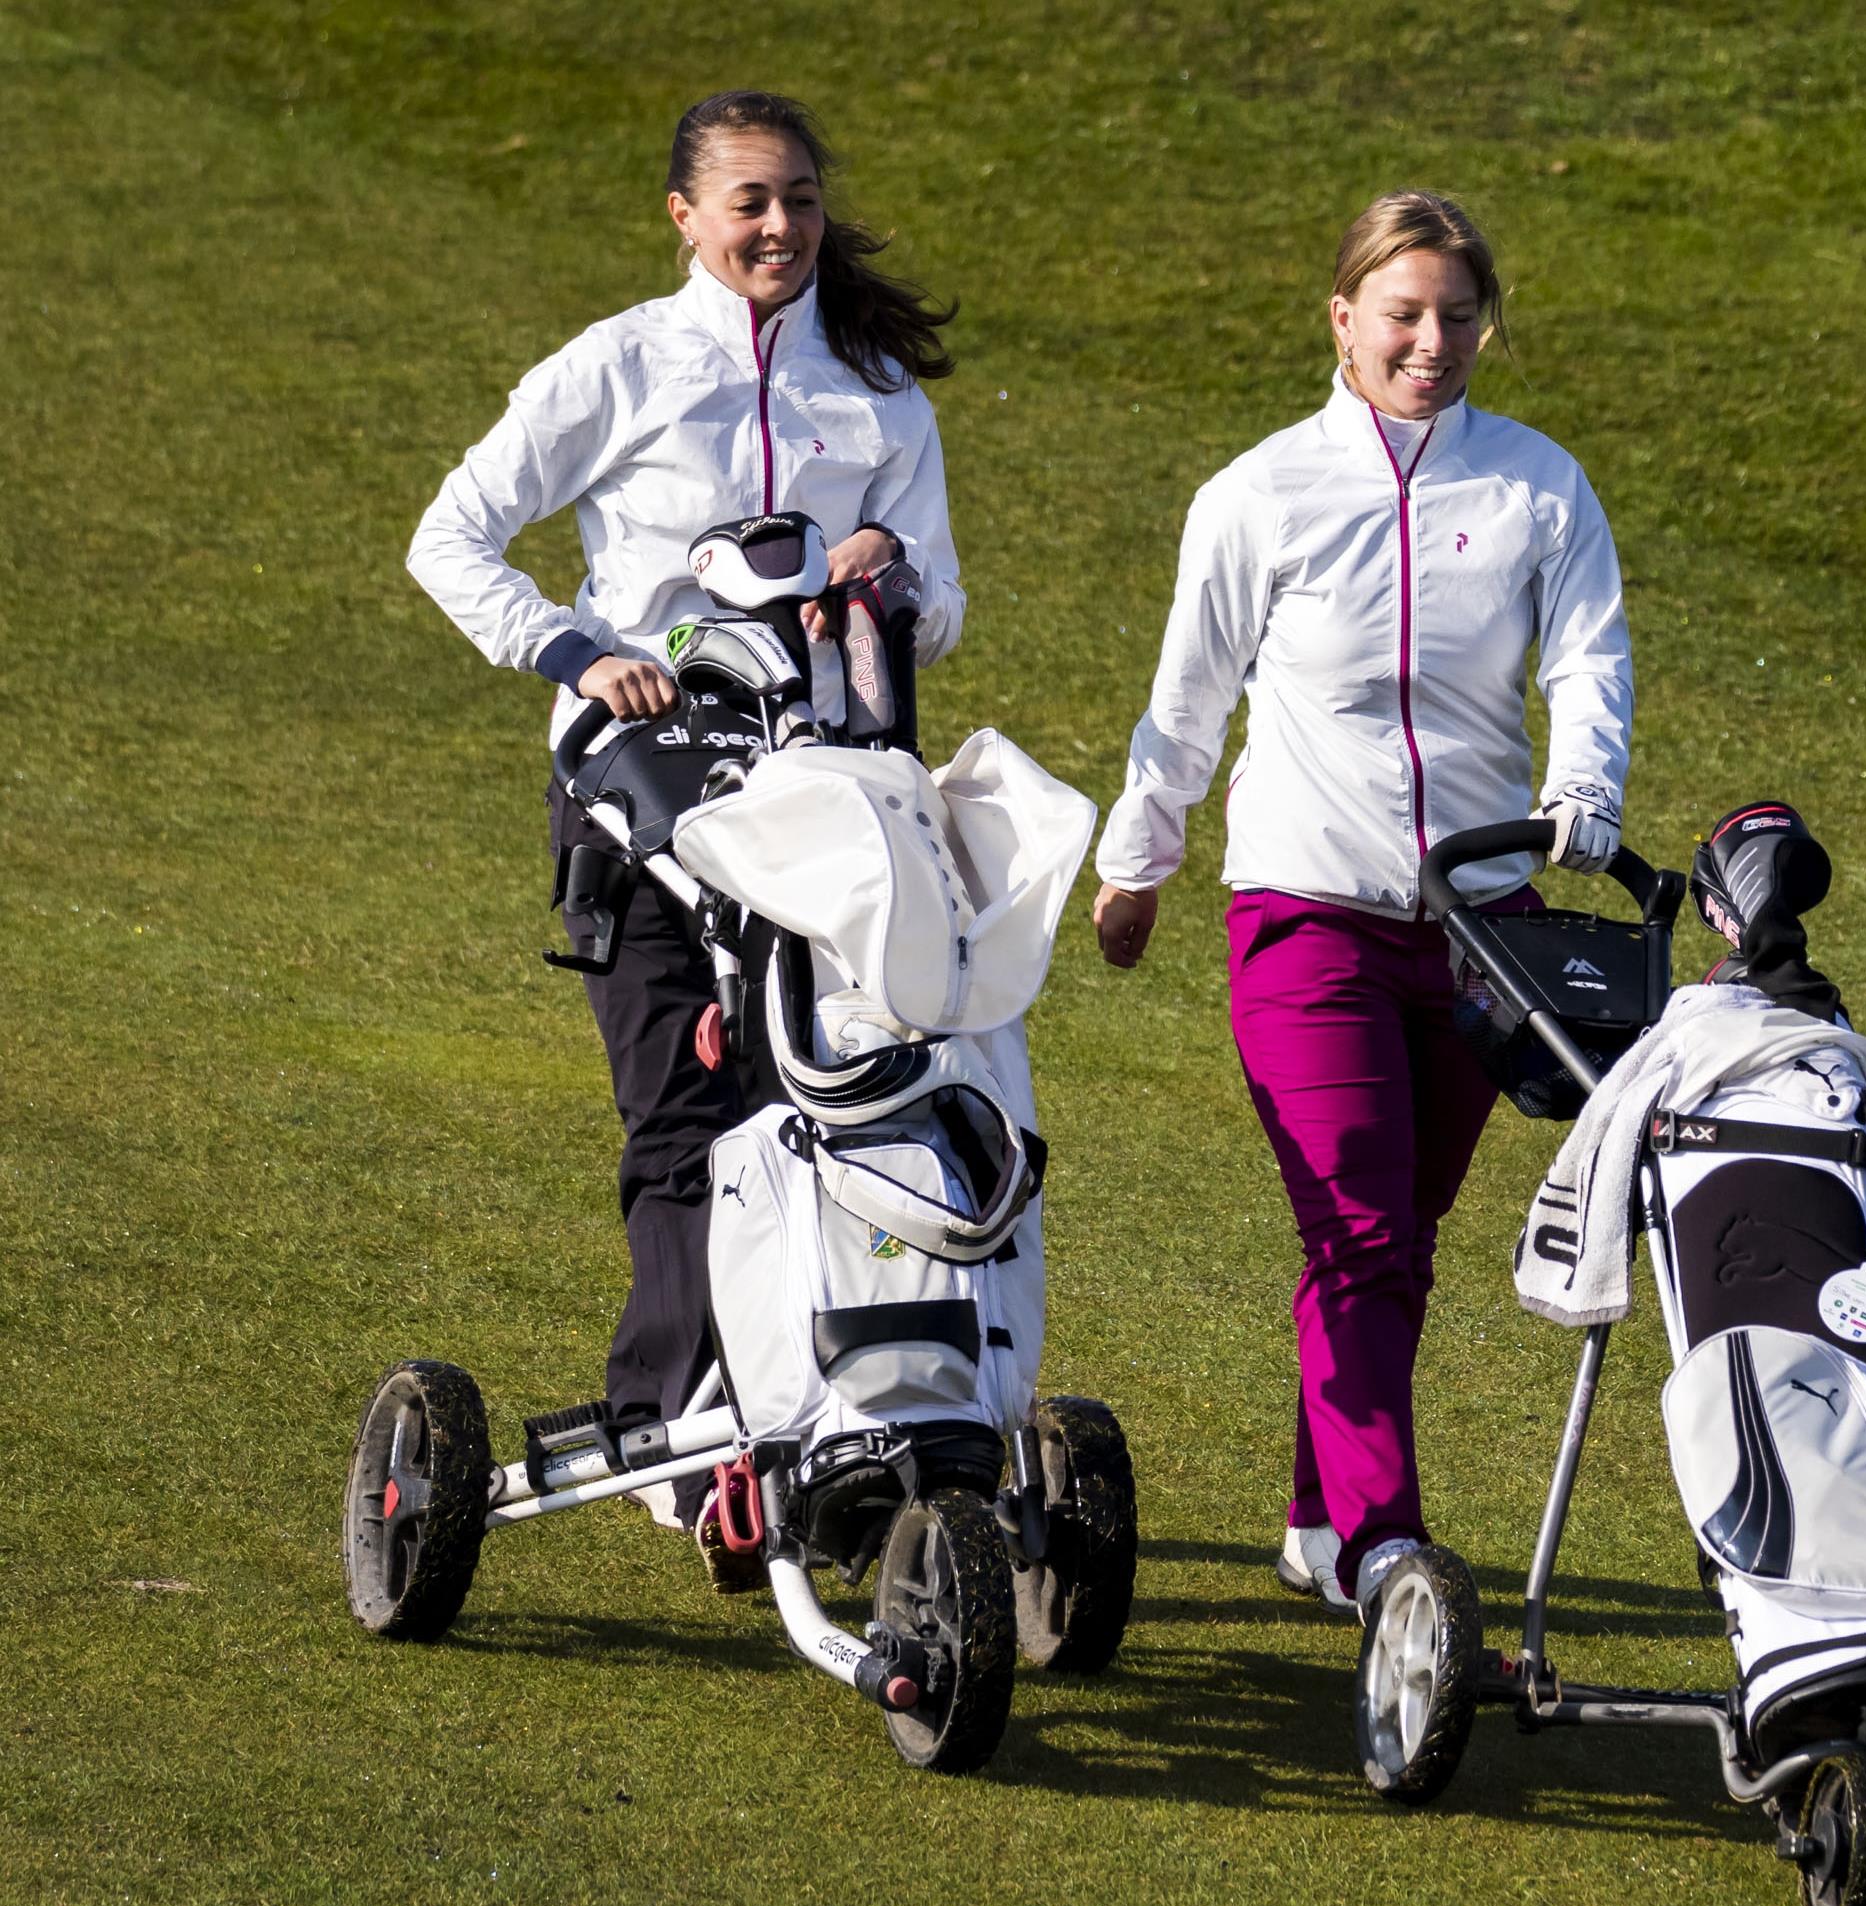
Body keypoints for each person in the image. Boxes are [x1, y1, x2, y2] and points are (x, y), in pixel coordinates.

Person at [406, 91, 966, 1567]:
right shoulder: (622, 367)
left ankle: (831, 1414)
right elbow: (449, 536)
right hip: (639, 801)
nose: (778, 227)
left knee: (840, 1109)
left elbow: (949, 606)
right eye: (748, 203)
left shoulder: (880, 391)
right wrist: (578, 653)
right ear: (684, 216)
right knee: (683, 1118)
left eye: (798, 201)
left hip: (835, 818)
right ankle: (675, 1429)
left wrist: (887, 570)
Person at [1091, 189, 1634, 1615]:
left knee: (1396, 1239)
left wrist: (1587, 790)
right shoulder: (1258, 494)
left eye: (1459, 316)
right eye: (1403, 312)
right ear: (1341, 318)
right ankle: (1389, 1552)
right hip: (1305, 922)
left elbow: (1587, 661)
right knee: (1364, 1235)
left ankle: (1319, 1523)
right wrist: (1135, 866)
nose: (1433, 341)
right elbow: (1188, 699)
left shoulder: (1537, 485)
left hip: (1488, 935)